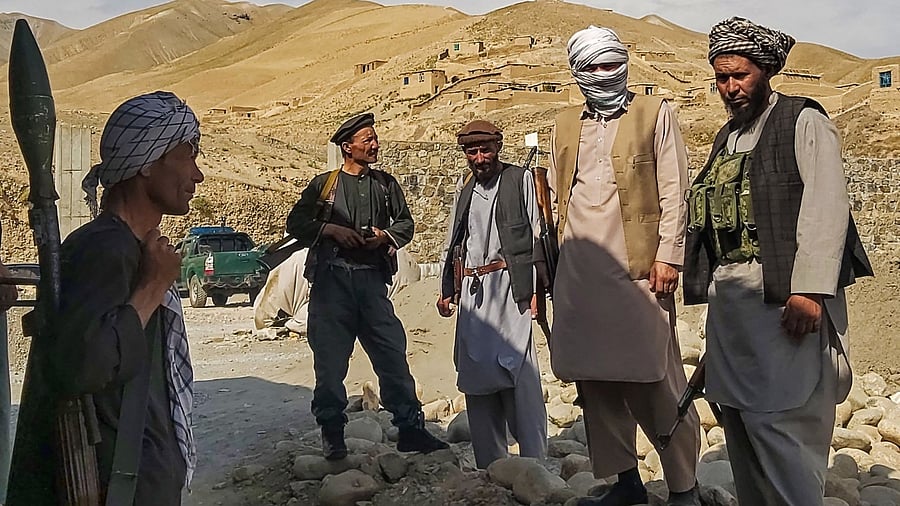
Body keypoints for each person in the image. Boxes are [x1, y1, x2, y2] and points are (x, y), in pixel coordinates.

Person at [683, 17, 873, 505]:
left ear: (765, 70)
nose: (730, 88)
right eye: (721, 78)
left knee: (783, 427)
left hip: (785, 304)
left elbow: (827, 206)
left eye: (739, 76)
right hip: (734, 309)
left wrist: (809, 290)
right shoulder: (727, 137)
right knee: (741, 426)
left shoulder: (802, 120)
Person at [7, 91, 202, 505]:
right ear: (148, 162)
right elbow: (85, 367)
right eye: (188, 155)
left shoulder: (132, 248)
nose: (197, 175)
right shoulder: (104, 250)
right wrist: (153, 288)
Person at [548, 26, 700, 506]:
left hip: (639, 273)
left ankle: (684, 487)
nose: (603, 75)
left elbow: (677, 189)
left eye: (611, 64)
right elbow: (555, 196)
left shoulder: (654, 113)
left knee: (656, 378)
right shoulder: (565, 123)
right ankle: (626, 484)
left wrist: (669, 256)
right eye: (591, 67)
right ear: (576, 72)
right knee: (596, 383)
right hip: (579, 274)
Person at [286, 112, 448, 460]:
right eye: (368, 140)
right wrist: (331, 230)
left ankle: (410, 429)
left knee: (392, 355)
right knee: (329, 363)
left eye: (375, 138)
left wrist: (383, 236)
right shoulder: (323, 185)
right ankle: (333, 434)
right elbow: (296, 222)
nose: (375, 145)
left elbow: (405, 223)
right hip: (332, 285)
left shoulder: (386, 184)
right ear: (348, 147)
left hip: (372, 284)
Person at [436, 120, 547, 468]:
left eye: (486, 150)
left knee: (520, 372)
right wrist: (447, 289)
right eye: (473, 152)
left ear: (498, 148)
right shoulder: (465, 187)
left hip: (511, 289)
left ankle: (533, 462)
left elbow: (537, 236)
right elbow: (454, 239)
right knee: (476, 375)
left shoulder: (519, 180)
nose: (480, 158)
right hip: (474, 295)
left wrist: (536, 292)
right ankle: (491, 465)